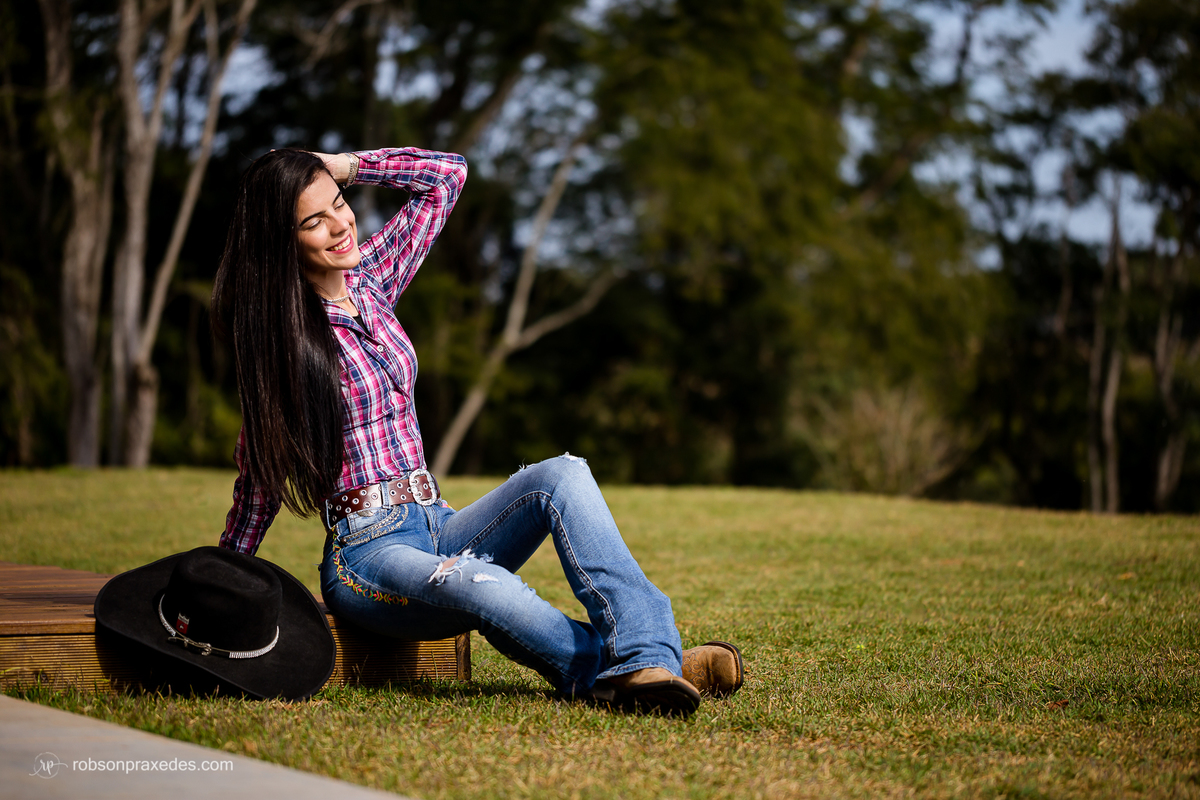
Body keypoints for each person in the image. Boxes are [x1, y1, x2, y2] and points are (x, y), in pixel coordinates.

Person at [212, 146, 743, 716]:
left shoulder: (371, 279)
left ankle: (644, 654)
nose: (341, 224)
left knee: (562, 476)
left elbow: (446, 178)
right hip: (367, 554)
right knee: (480, 582)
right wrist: (218, 577)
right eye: (314, 220)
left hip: (439, 520)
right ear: (281, 240)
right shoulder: (279, 345)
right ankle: (628, 670)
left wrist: (342, 165)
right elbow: (259, 482)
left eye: (341, 205)